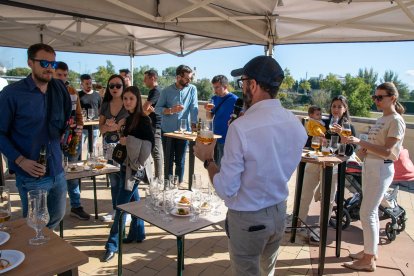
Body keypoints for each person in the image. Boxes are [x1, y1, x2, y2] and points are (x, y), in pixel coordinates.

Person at [193, 56, 307, 276]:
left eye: (243, 81)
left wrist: (208, 160)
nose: (242, 87)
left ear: (253, 85)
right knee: (268, 272)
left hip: (248, 218)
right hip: (279, 212)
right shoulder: (295, 124)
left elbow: (227, 189)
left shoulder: (241, 128)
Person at [0, 43, 71, 229]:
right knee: (35, 225)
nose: (49, 68)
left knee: (56, 217)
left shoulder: (59, 89)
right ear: (30, 63)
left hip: (57, 170)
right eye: (44, 63)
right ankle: (36, 256)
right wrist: (20, 160)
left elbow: (63, 123)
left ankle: (46, 252)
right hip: (32, 175)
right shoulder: (12, 94)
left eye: (53, 64)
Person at [343, 82, 406, 272]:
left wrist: (360, 141)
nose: (376, 100)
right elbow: (371, 147)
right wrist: (357, 152)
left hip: (380, 168)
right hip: (371, 167)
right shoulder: (382, 119)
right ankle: (370, 252)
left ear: (393, 98)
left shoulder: (395, 120)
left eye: (380, 97)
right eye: (375, 97)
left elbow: (388, 151)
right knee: (369, 211)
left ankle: (368, 260)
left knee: (367, 212)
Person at [102, 86, 154, 262]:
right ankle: (138, 233)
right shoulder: (129, 118)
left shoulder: (144, 119)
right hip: (125, 166)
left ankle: (111, 245)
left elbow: (149, 144)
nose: (127, 102)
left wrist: (128, 140)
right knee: (133, 201)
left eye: (131, 98)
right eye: (125, 99)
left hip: (135, 169)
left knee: (120, 206)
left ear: (137, 100)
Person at [296, 95, 356, 243]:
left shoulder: (348, 127)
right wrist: (318, 138)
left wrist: (342, 134)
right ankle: (298, 222)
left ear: (345, 108)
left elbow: (349, 151)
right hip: (316, 161)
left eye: (339, 106)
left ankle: (321, 229)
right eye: (333, 106)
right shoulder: (323, 122)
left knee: (327, 198)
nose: (336, 109)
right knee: (305, 192)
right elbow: (310, 140)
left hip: (332, 166)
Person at [54, 61, 90, 220]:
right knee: (54, 173)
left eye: (65, 75)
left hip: (72, 138)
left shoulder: (72, 90)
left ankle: (76, 206)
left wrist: (78, 133)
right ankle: (54, 209)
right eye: (59, 75)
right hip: (53, 140)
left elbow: (79, 115)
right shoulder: (47, 90)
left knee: (73, 172)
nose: (62, 78)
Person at [155, 65, 198, 185]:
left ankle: (178, 186)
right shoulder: (166, 91)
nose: (189, 81)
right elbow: (157, 109)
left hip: (184, 132)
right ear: (178, 77)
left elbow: (193, 107)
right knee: (168, 161)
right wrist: (170, 110)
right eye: (187, 78)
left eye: (190, 78)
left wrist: (194, 124)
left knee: (181, 160)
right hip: (167, 131)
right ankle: (168, 186)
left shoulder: (192, 89)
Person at [99, 75, 129, 222]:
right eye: (111, 86)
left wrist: (117, 127)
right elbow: (101, 128)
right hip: (108, 146)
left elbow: (129, 126)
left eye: (118, 85)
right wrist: (107, 126)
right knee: (114, 180)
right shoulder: (105, 104)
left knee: (124, 179)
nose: (115, 88)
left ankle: (126, 212)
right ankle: (115, 209)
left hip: (124, 146)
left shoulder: (128, 102)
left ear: (123, 86)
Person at [205, 75, 238, 167]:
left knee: (223, 168)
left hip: (227, 140)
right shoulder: (214, 99)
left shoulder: (235, 100)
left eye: (217, 87)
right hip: (214, 138)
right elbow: (209, 118)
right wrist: (207, 109)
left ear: (225, 86)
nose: (215, 91)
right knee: (213, 166)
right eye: (214, 87)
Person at [143, 69, 163, 179]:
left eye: (145, 79)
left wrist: (146, 111)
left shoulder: (156, 91)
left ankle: (158, 178)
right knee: (152, 152)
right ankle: (152, 176)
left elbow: (144, 109)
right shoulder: (154, 91)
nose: (143, 81)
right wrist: (146, 111)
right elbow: (145, 110)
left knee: (156, 153)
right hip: (153, 125)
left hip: (156, 125)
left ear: (153, 78)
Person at [79, 74, 101, 154]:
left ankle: (91, 164)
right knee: (79, 149)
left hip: (94, 127)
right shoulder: (78, 95)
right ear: (81, 84)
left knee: (92, 150)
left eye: (90, 83)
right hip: (82, 127)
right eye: (87, 84)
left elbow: (100, 109)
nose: (89, 85)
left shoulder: (97, 95)